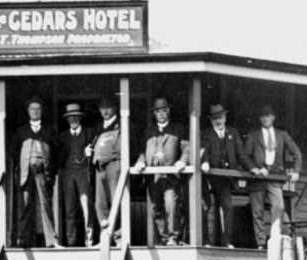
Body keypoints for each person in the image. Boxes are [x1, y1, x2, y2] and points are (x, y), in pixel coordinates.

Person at [243, 104, 302, 249]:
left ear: (273, 118)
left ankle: (275, 237)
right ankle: (261, 243)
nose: (265, 119)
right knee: (257, 211)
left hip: (275, 176)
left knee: (279, 206)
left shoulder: (282, 135)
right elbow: (245, 156)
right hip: (257, 178)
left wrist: (296, 171)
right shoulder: (253, 135)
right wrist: (255, 169)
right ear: (259, 118)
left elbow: (297, 153)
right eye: (263, 116)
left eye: (268, 116)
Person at [133, 97, 190, 246]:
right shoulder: (149, 131)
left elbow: (186, 148)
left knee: (171, 206)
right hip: (153, 178)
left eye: (164, 110)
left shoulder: (178, 129)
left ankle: (173, 238)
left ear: (168, 111)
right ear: (154, 113)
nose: (161, 114)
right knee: (154, 209)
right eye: (158, 111)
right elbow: (142, 152)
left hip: (170, 176)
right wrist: (140, 161)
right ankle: (165, 238)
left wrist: (182, 161)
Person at [12, 96, 59, 248]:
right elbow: (13, 153)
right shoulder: (21, 132)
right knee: (25, 205)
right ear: (28, 111)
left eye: (38, 109)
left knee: (45, 204)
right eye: (32, 109)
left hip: (42, 173)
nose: (35, 112)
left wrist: (51, 171)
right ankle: (23, 240)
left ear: (42, 111)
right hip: (26, 173)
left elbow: (57, 151)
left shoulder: (49, 131)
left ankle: (51, 240)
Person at [200, 104, 247, 248]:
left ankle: (227, 241)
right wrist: (205, 162)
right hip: (209, 176)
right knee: (205, 206)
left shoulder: (233, 133)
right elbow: (203, 151)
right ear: (211, 120)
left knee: (227, 207)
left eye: (220, 117)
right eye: (215, 118)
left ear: (225, 118)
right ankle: (206, 241)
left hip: (225, 178)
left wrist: (253, 169)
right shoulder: (206, 134)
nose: (218, 121)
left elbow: (241, 155)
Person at [57, 102, 95, 247]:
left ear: (80, 119)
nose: (73, 120)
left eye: (75, 117)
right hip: (68, 175)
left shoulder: (89, 134)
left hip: (83, 173)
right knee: (69, 208)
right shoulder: (63, 137)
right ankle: (71, 241)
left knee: (86, 207)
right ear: (67, 120)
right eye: (70, 118)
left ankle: (89, 240)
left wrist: (89, 154)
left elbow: (96, 153)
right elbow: (59, 158)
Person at [88, 95, 122, 243]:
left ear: (115, 108)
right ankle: (106, 238)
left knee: (116, 201)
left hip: (114, 166)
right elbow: (93, 144)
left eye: (108, 107)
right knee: (100, 204)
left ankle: (119, 238)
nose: (105, 111)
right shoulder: (98, 128)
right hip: (99, 168)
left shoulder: (120, 125)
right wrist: (88, 151)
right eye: (102, 108)